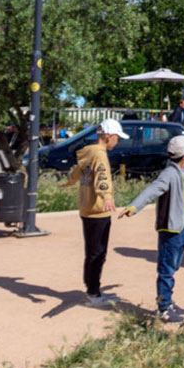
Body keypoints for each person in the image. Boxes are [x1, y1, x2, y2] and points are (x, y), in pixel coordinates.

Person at [120, 134, 184, 323]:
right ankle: (163, 308)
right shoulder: (169, 174)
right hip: (170, 229)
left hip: (183, 227)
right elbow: (151, 190)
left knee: (173, 266)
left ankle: (168, 301)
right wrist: (134, 206)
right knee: (166, 269)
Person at [62, 118, 129, 308]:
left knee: (91, 251)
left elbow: (78, 169)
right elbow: (102, 175)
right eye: (117, 138)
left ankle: (92, 287)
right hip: (98, 210)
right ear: (109, 136)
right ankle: (93, 293)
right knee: (98, 252)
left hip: (86, 207)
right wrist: (106, 195)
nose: (117, 142)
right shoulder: (100, 156)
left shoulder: (89, 152)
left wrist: (71, 181)